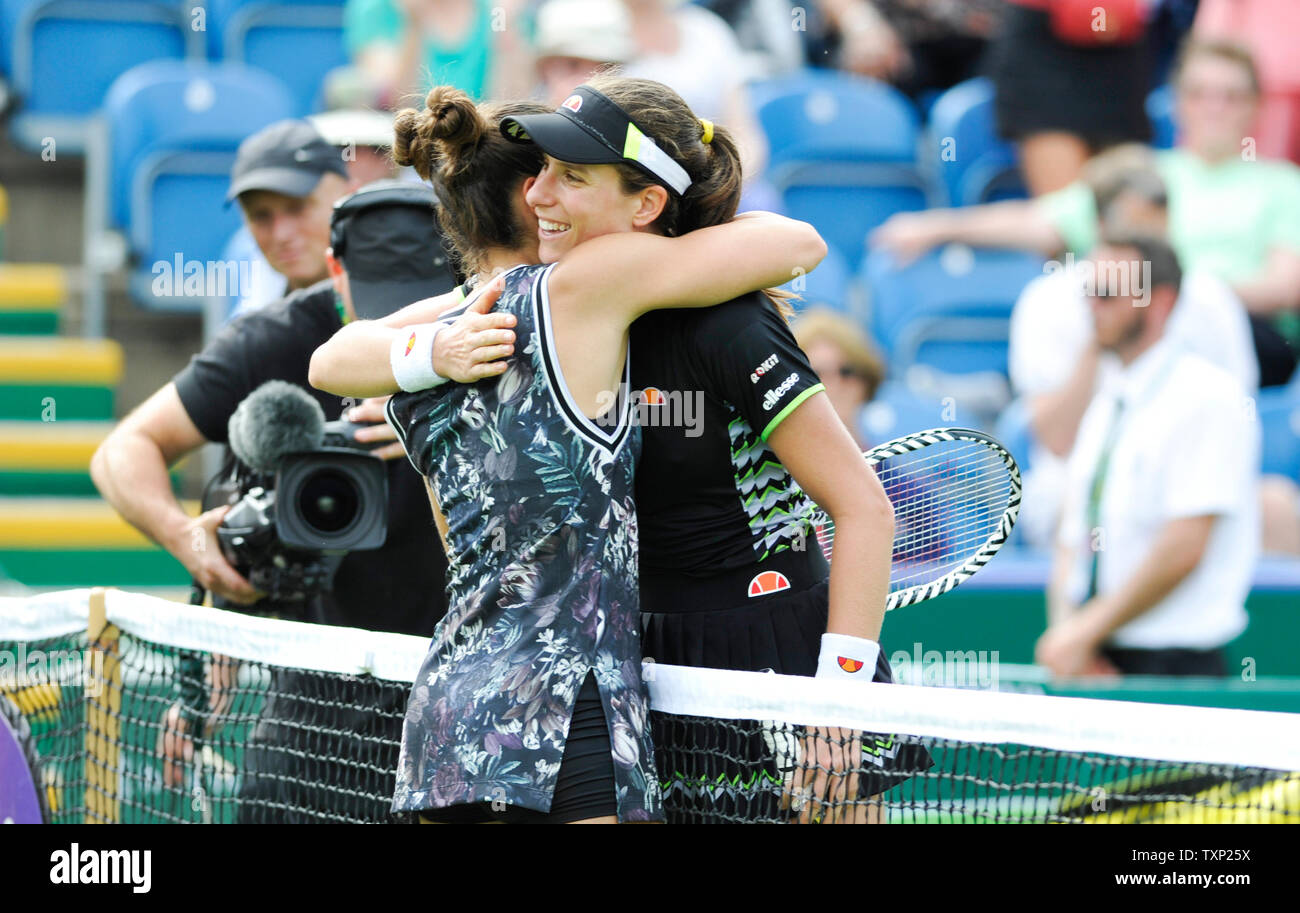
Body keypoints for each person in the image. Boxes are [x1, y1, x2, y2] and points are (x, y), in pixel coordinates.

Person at [313, 78, 916, 824]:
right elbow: (338, 355)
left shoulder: (726, 326)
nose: (538, 194)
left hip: (785, 662)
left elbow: (863, 508)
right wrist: (438, 347)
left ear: (646, 203)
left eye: (571, 176)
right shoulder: (539, 305)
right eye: (538, 173)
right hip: (641, 670)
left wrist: (840, 698)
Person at [872, 39, 1300, 387]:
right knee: (1066, 301)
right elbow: (1040, 221)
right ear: (1180, 103)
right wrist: (937, 226)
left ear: (1255, 106)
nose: (1215, 107)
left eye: (1231, 96)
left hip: (1240, 339)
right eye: (1201, 94)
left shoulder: (1283, 184)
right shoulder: (1142, 174)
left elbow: (1284, 286)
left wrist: (1183, 293)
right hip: (1132, 331)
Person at [1007, 147, 1259, 547]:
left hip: (1192, 475)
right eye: (1136, 236)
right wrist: (1103, 326)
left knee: (1272, 505)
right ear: (1101, 226)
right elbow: (1057, 440)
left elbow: (1237, 422)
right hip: (1077, 479)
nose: (1150, 254)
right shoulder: (1048, 301)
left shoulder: (1210, 299)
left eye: (1158, 234)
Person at [1038, 232, 1259, 678]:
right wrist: (1074, 638)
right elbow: (1075, 533)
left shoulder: (1209, 397)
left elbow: (1184, 545)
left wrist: (1081, 635)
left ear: (1160, 302)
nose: (1091, 306)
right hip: (1098, 656)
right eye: (1088, 292)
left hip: (1176, 668)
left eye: (1106, 294)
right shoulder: (1109, 401)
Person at [221, 120, 359, 319]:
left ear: (350, 198)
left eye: (297, 208)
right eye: (260, 216)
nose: (281, 235)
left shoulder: (402, 303)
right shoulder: (250, 323)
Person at [792, 306, 887, 449]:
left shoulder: (888, 470)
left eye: (846, 372)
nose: (832, 384)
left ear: (866, 380)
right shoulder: (773, 469)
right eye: (816, 374)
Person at [532, 0, 633, 107]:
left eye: (607, 69)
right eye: (573, 65)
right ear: (545, 69)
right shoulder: (519, 120)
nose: (588, 82)